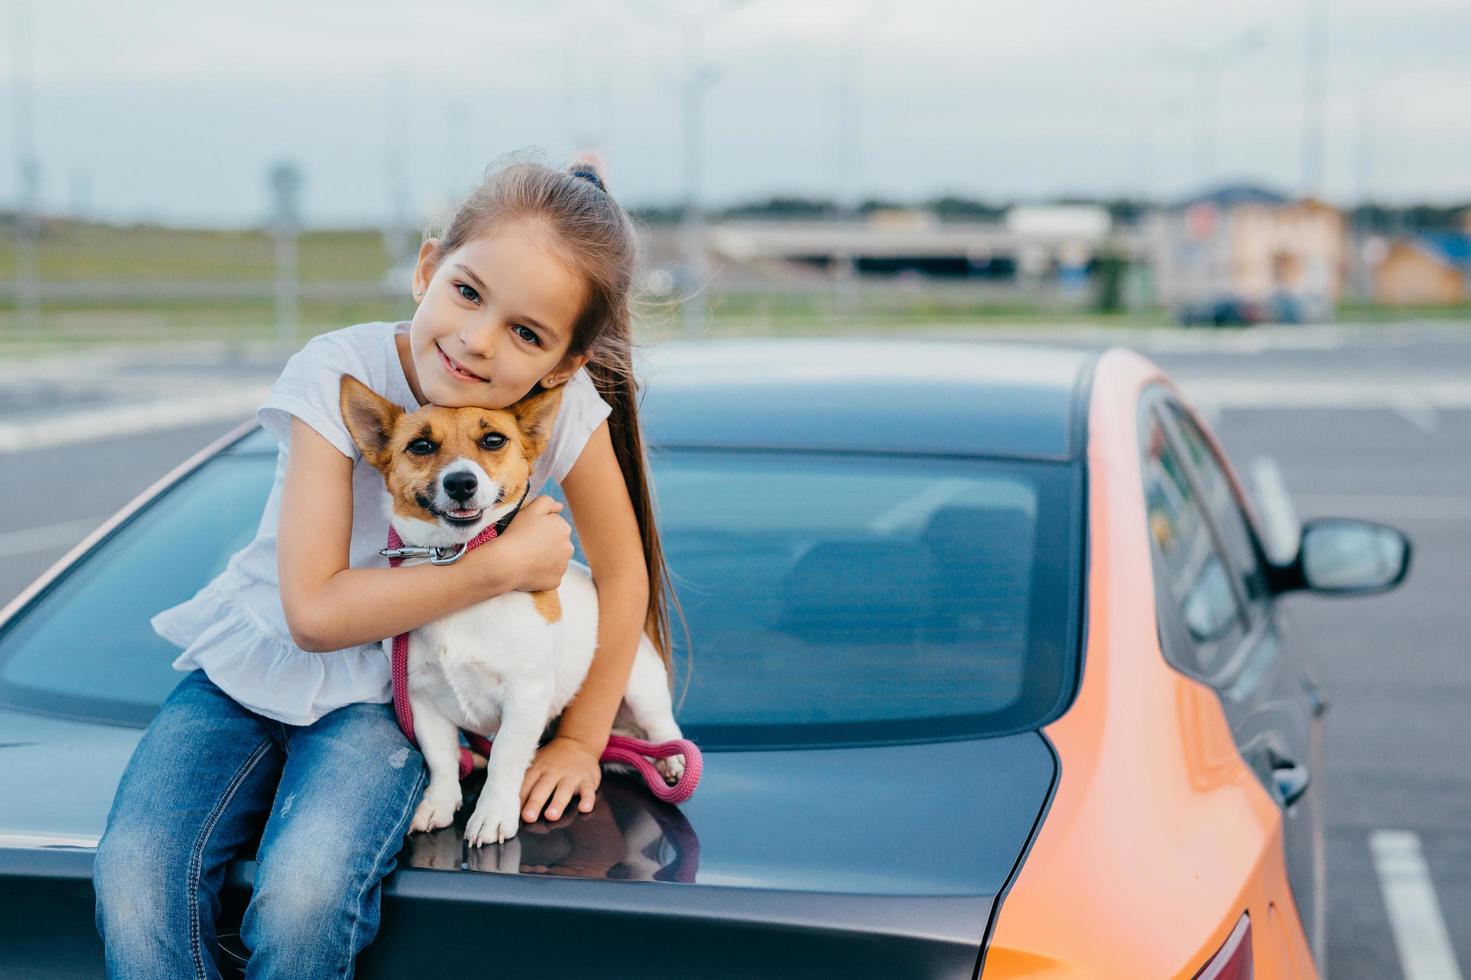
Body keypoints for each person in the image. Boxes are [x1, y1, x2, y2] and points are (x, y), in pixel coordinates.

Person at [92, 153, 679, 978]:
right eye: (468, 292)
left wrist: (581, 739)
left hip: (392, 694)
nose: (477, 341)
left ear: (563, 365)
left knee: (304, 895)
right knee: (133, 873)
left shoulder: (563, 411)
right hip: (253, 660)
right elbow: (315, 613)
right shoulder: (342, 371)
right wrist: (501, 567)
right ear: (427, 268)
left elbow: (621, 576)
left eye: (526, 332)